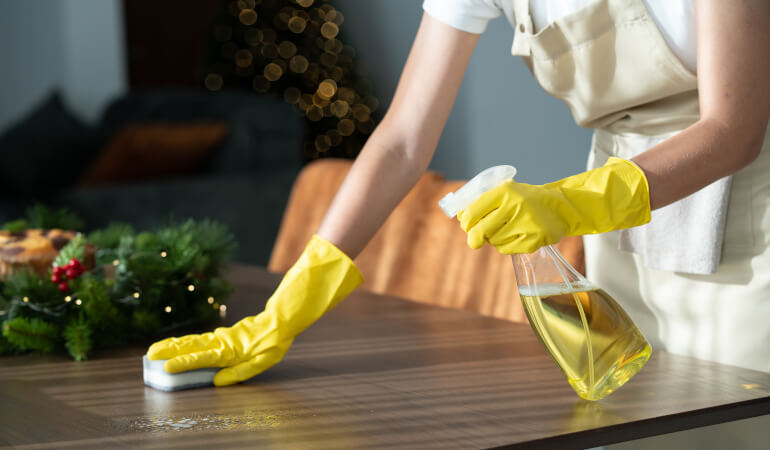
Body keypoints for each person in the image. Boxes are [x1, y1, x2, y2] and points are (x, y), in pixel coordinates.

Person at [148, 0, 770, 447]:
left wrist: (571, 203)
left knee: (737, 425)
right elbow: (401, 141)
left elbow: (733, 128)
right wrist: (289, 306)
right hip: (624, 226)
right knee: (633, 422)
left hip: (751, 211)